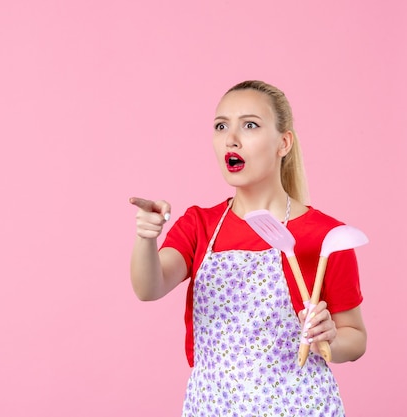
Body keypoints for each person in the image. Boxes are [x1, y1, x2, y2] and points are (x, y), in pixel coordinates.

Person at [129, 80, 367, 416]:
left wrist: (330, 341)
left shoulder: (327, 237)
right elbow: (148, 287)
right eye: (221, 126)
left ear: (283, 143)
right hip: (213, 408)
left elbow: (355, 338)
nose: (231, 138)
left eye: (250, 125)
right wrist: (146, 237)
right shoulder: (200, 225)